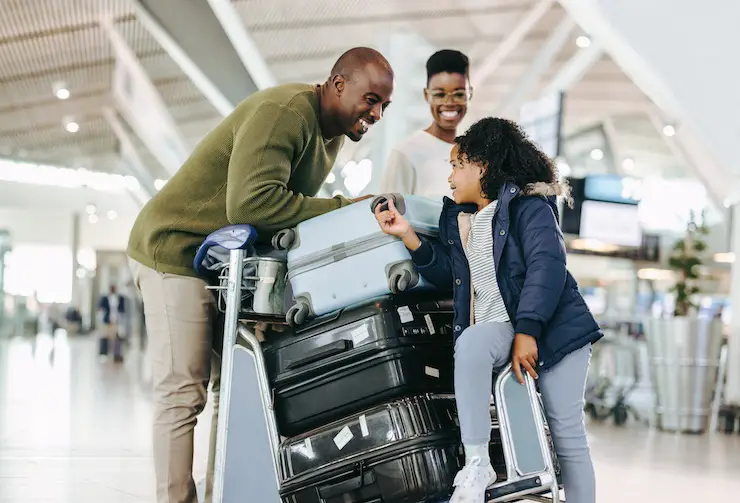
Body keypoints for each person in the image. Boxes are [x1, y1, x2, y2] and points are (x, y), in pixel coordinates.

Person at [126, 47, 394, 503]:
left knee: (231, 390)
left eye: (384, 105)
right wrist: (345, 208)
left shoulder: (328, 136)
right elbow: (251, 205)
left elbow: (277, 216)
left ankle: (221, 495)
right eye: (371, 99)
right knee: (183, 390)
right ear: (338, 83)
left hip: (221, 263)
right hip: (174, 249)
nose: (377, 113)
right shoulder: (285, 112)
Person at [373, 117, 601, 503]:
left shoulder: (530, 208)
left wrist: (528, 331)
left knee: (566, 432)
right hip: (503, 328)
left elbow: (548, 266)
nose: (449, 178)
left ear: (481, 166)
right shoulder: (463, 220)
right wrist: (407, 235)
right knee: (474, 342)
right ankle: (477, 462)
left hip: (556, 332)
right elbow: (450, 273)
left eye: (456, 166)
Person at [380, 49, 472, 200]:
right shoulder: (406, 154)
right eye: (439, 94)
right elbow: (388, 216)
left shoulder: (474, 154)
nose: (449, 103)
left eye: (459, 94)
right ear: (426, 95)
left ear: (470, 94)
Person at [98, 285, 126, 362]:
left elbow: (122, 310)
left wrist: (121, 323)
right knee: (104, 337)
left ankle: (116, 355)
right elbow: (101, 310)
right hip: (107, 321)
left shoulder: (120, 298)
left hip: (116, 321)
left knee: (116, 339)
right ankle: (104, 354)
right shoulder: (105, 298)